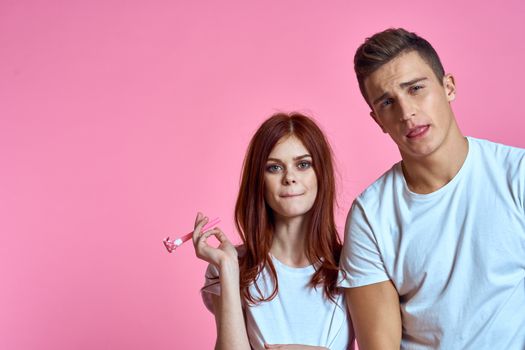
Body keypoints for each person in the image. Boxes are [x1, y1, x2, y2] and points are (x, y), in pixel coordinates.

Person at [338, 27, 525, 349]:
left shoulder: (516, 175)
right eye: (387, 102)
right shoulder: (371, 216)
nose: (406, 112)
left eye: (415, 89)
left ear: (448, 86)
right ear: (377, 120)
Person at [193, 113, 355, 350]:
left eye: (303, 164)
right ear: (259, 180)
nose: (289, 178)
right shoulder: (233, 266)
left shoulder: (354, 263)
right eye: (274, 167)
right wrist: (228, 270)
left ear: (321, 174)